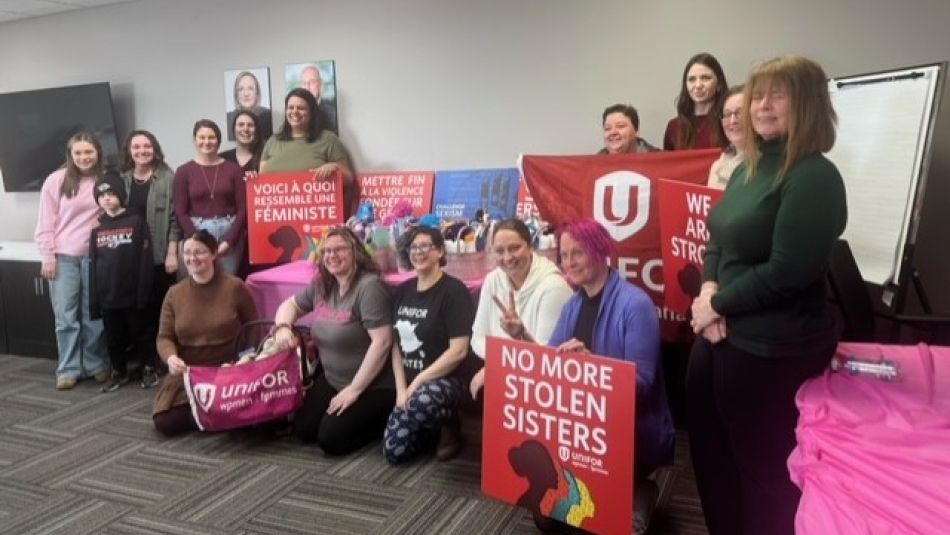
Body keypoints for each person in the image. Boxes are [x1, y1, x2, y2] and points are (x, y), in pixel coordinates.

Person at [687, 55, 847, 535]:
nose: (762, 105)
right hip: (718, 337)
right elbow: (717, 239)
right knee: (714, 466)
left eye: (779, 94)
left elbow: (787, 271)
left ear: (808, 105)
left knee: (765, 479)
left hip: (770, 351)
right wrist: (709, 289)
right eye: (758, 94)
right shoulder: (747, 168)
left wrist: (716, 304)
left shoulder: (814, 176)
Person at [548, 218, 675, 534]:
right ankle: (618, 489)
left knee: (614, 528)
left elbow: (642, 387)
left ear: (601, 251)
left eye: (578, 252)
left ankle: (639, 490)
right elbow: (547, 365)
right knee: (548, 520)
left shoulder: (636, 304)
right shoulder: (571, 306)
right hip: (583, 429)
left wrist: (593, 367)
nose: (570, 262)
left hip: (628, 430)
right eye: (564, 255)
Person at [273, 227, 394, 455]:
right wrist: (282, 328)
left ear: (356, 252)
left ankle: (385, 419)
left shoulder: (370, 288)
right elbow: (290, 305)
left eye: (339, 249)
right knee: (303, 430)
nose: (332, 255)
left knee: (330, 440)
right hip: (333, 379)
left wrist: (354, 390)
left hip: (372, 386)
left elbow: (383, 342)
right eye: (327, 251)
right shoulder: (323, 285)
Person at [383, 226, 475, 464]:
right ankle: (427, 423)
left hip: (449, 381)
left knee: (420, 401)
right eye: (414, 247)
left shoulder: (454, 291)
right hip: (412, 384)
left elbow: (459, 351)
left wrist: (419, 381)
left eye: (426, 246)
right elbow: (395, 345)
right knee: (395, 452)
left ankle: (449, 423)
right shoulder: (403, 291)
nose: (418, 252)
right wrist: (401, 389)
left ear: (440, 252)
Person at [153, 230, 258, 437]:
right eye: (188, 253)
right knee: (164, 422)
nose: (192, 258)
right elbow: (164, 337)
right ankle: (214, 416)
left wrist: (246, 358)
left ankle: (210, 415)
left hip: (228, 369)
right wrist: (171, 358)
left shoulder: (235, 286)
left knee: (245, 421)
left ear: (213, 254)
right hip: (190, 372)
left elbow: (253, 326)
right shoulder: (174, 294)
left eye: (199, 252)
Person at [34, 132, 110, 390]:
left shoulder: (105, 180)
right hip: (63, 258)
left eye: (89, 152)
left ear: (98, 153)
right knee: (66, 317)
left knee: (93, 316)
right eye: (78, 153)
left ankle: (95, 364)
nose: (84, 157)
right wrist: (48, 257)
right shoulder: (56, 181)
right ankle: (68, 368)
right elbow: (45, 222)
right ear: (70, 155)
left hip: (95, 257)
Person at [468, 219, 572, 400]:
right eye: (500, 251)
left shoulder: (553, 287)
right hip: (504, 372)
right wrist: (500, 363)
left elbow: (547, 361)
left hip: (545, 385)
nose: (507, 258)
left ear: (530, 246)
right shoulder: (493, 280)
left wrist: (498, 363)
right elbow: (477, 337)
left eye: (514, 248)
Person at [118, 129, 181, 386]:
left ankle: (160, 361)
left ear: (155, 149)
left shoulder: (167, 178)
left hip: (158, 256)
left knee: (159, 310)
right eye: (136, 147)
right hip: (128, 257)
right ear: (129, 151)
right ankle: (144, 362)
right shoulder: (121, 180)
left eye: (147, 146)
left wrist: (171, 252)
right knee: (136, 312)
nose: (142, 151)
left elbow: (175, 220)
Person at [89, 172, 153, 392]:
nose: (107, 198)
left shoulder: (137, 222)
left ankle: (148, 368)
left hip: (133, 295)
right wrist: (95, 300)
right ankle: (119, 371)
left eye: (111, 193)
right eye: (102, 195)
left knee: (141, 333)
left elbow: (145, 261)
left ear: (121, 195)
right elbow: (93, 267)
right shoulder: (97, 230)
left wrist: (143, 293)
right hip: (108, 297)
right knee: (113, 338)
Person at [261, 88, 356, 217]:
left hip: (315, 217)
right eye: (291, 107)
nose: (295, 112)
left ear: (311, 112)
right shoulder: (272, 141)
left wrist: (334, 167)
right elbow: (260, 181)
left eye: (301, 108)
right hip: (275, 216)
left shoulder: (328, 139)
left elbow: (349, 179)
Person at [174, 119, 247, 276]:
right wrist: (197, 239)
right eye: (201, 137)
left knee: (226, 283)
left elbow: (243, 209)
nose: (206, 142)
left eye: (211, 137)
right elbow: (180, 211)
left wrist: (230, 240)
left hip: (230, 229)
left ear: (218, 140)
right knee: (199, 281)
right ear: (195, 140)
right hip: (197, 230)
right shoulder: (183, 171)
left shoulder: (234, 170)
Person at [663, 52, 729, 151]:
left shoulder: (730, 121)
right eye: (692, 79)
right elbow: (669, 165)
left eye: (705, 78)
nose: (698, 85)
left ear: (719, 84)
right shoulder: (674, 126)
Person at [707, 85, 747, 189]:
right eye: (727, 114)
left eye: (740, 113)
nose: (732, 121)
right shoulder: (717, 166)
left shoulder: (765, 166)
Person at [226, 70, 273, 141]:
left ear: (257, 93)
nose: (246, 94)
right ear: (236, 94)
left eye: (250, 88)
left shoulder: (268, 116)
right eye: (241, 89)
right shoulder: (228, 118)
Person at [220, 110, 263, 178]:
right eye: (241, 125)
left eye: (250, 125)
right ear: (233, 130)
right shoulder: (222, 159)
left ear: (256, 130)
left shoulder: (264, 158)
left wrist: (258, 183)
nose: (245, 129)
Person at [298, 64, 338, 134]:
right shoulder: (294, 116)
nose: (307, 87)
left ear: (320, 83)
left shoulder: (332, 115)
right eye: (304, 83)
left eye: (312, 82)